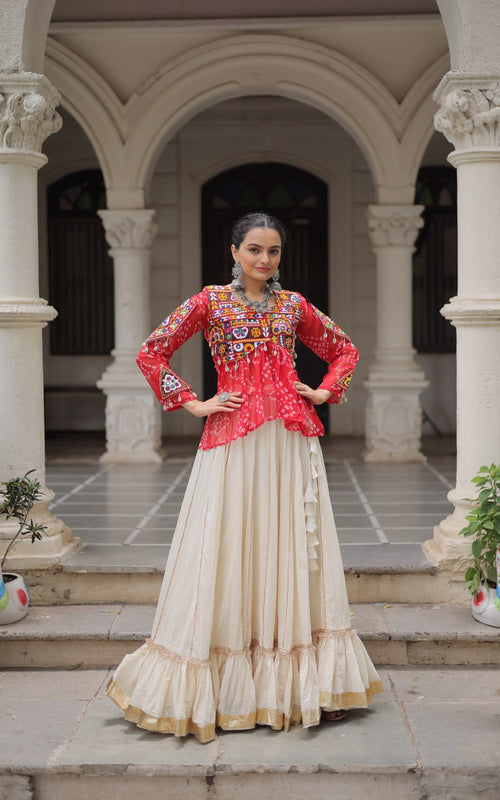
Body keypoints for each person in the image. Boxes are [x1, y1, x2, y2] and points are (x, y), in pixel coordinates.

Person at [107, 212, 382, 743]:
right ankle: (229, 688)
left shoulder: (294, 305)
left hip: (289, 441)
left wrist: (325, 392)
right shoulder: (209, 302)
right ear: (234, 251)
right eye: (254, 249)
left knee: (287, 548)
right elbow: (151, 351)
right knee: (231, 545)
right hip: (233, 438)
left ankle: (304, 685)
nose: (264, 259)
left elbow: (344, 349)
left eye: (273, 251)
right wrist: (193, 402)